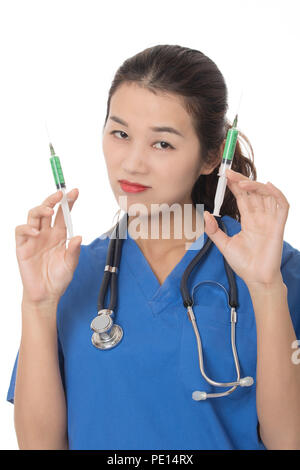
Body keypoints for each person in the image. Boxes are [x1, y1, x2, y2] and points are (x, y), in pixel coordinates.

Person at [6, 44, 300, 450]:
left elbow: (291, 441)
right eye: (120, 134)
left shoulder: (278, 270)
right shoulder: (68, 273)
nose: (132, 163)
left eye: (162, 144)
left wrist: (267, 289)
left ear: (212, 155)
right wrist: (37, 305)